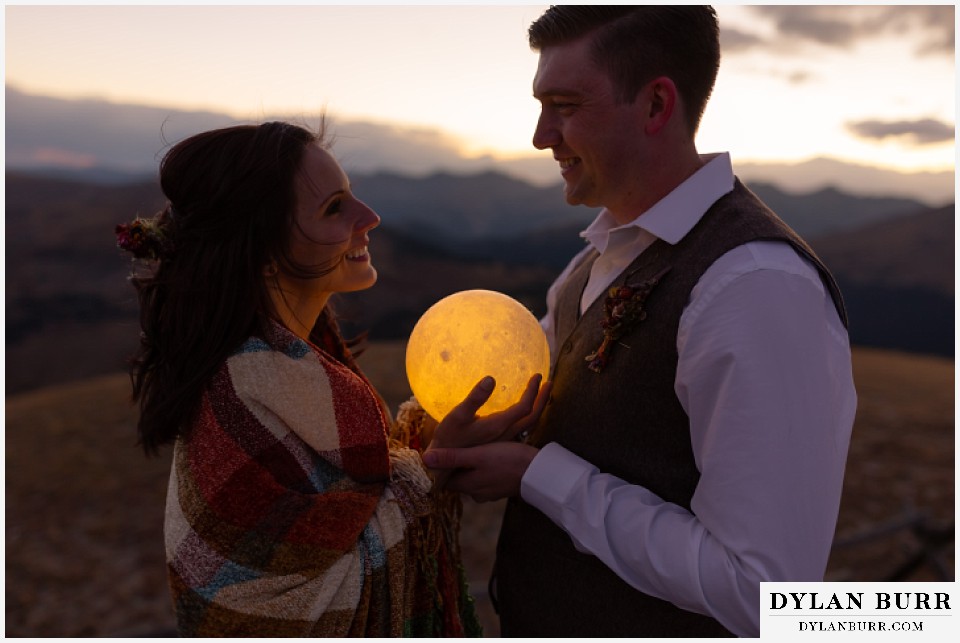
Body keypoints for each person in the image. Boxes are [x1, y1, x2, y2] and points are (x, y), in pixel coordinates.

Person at [422, 5, 856, 637]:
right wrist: (472, 435)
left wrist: (537, 476)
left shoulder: (756, 288)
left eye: (565, 106)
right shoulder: (587, 265)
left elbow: (764, 594)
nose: (542, 136)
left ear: (656, 106)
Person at [116, 121, 547, 636]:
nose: (370, 217)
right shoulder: (243, 399)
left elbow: (358, 513)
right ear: (265, 255)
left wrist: (431, 441)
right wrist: (431, 468)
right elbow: (282, 616)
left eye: (352, 196)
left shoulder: (305, 358)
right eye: (334, 208)